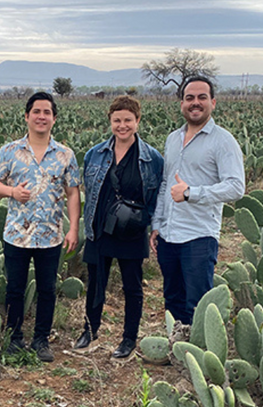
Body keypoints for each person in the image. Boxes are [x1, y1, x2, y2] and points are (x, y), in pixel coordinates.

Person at [0, 92, 81, 362]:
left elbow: (73, 193)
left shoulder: (65, 155)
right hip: (17, 233)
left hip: (50, 235)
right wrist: (12, 192)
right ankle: (14, 338)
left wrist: (73, 228)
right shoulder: (9, 151)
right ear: (27, 116)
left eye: (47, 112)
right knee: (15, 287)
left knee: (48, 289)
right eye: (36, 112)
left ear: (54, 118)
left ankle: (41, 340)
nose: (41, 117)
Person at [73, 96, 163, 358]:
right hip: (100, 228)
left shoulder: (152, 158)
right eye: (117, 120)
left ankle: (128, 339)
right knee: (95, 283)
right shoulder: (95, 154)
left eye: (128, 120)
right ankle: (90, 330)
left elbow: (157, 196)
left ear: (137, 121)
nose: (122, 125)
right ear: (110, 121)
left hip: (133, 230)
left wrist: (152, 224)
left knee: (132, 286)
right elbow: (90, 192)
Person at [151, 76, 245, 326]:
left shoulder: (223, 141)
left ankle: (197, 360)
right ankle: (176, 353)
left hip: (199, 236)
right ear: (182, 103)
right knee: (172, 301)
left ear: (213, 102)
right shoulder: (172, 139)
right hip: (169, 235)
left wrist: (192, 193)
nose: (195, 103)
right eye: (189, 98)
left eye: (202, 97)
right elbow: (165, 185)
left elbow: (236, 187)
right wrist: (157, 223)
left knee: (198, 306)